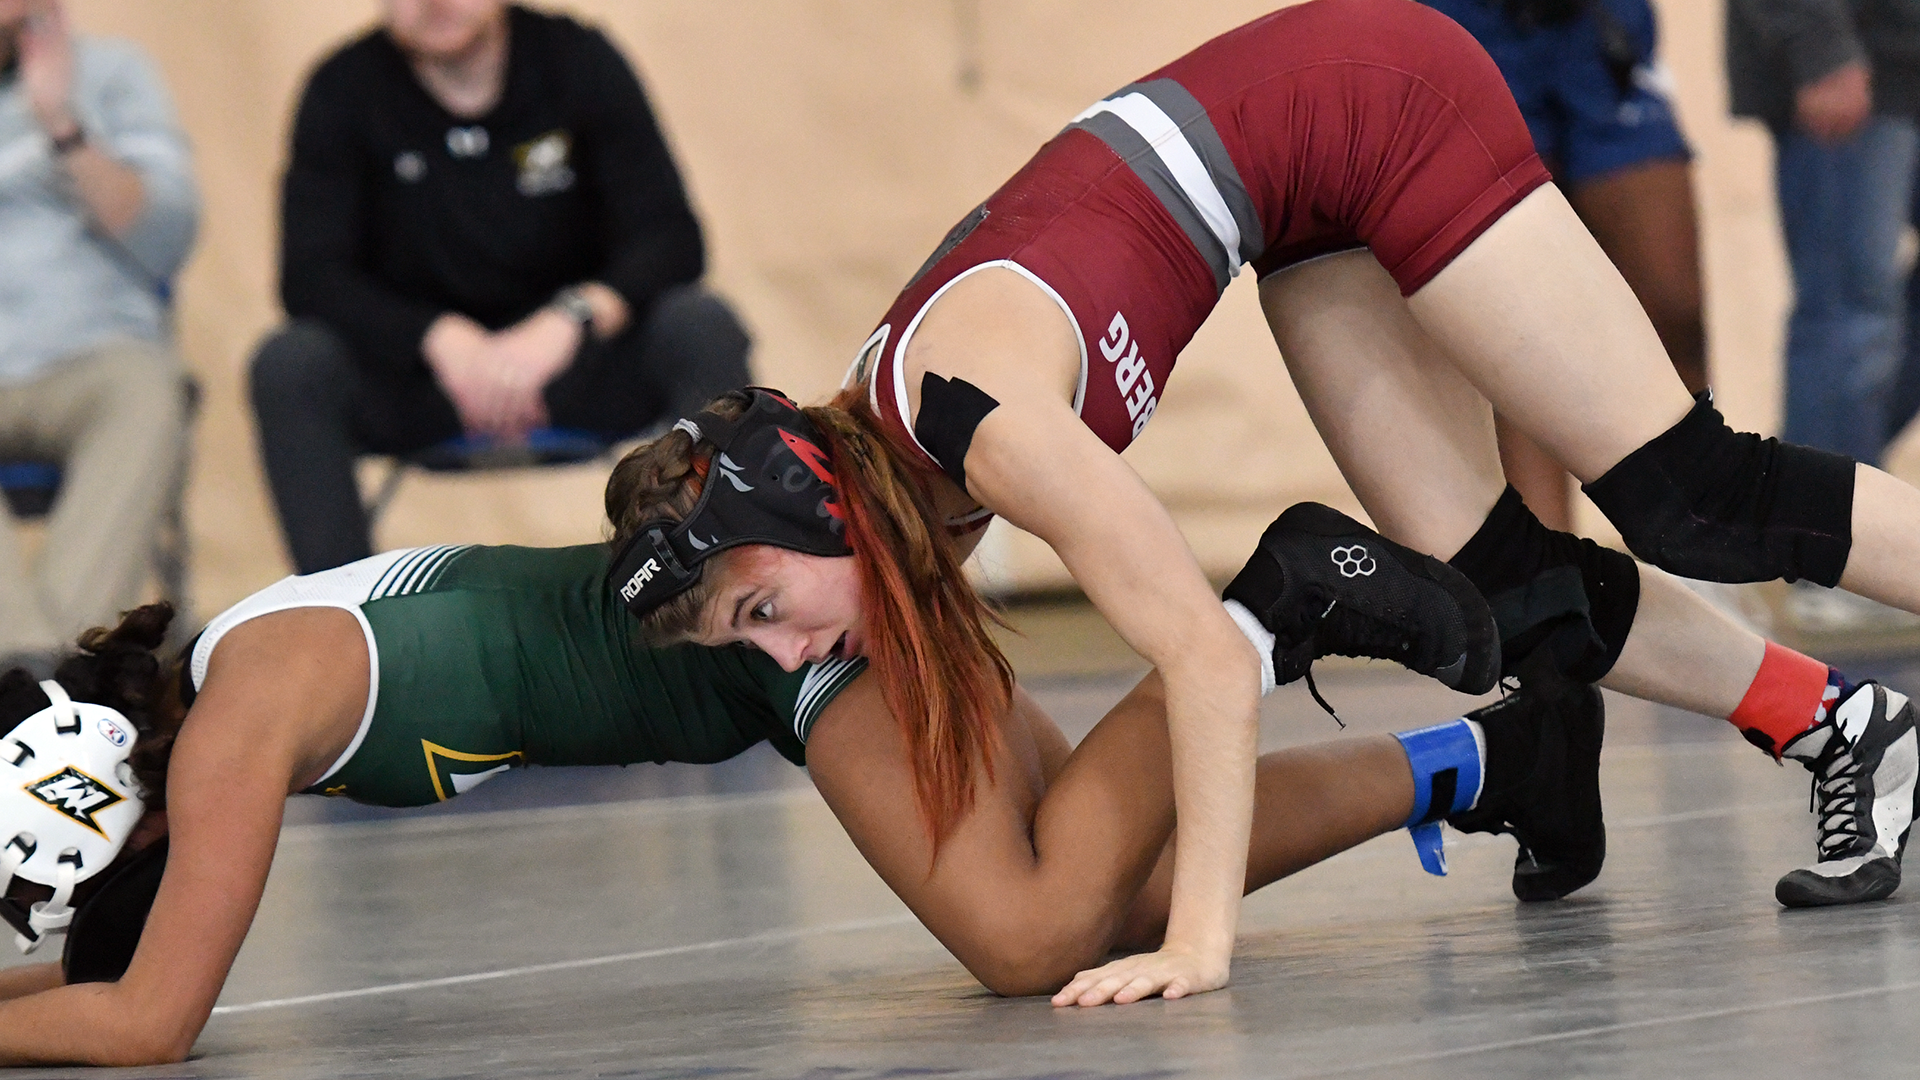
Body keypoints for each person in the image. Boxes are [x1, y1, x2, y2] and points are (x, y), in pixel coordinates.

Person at [608, 0, 1920, 1008]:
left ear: (809, 511)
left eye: (767, 610)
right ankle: (1843, 722)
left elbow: (1206, 657)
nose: (789, 654)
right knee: (1515, 590)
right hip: (1295, 200)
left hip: (1378, 98)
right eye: (755, 641)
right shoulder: (873, 474)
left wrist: (1198, 946)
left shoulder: (974, 424)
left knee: (1688, 493)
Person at [0, 530, 1599, 1065]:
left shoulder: (228, 732)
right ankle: (1487, 761)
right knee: (1111, 894)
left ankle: (1265, 607)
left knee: (1034, 937)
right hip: (768, 643)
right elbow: (101, 985)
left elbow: (144, 1027)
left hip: (779, 649)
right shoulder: (215, 686)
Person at [248, 0, 750, 575]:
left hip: (577, 366)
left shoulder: (577, 60)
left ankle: (717, 584)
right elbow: (311, 275)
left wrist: (571, 318)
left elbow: (670, 237)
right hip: (422, 384)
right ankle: (340, 616)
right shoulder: (342, 87)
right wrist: (438, 339)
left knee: (701, 324)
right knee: (290, 364)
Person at [1420, 0, 1706, 532]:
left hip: (1594, 24)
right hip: (1463, 24)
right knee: (1516, 329)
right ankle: (1552, 574)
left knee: (1673, 307)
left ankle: (1698, 535)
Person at [0, 0, 197, 673]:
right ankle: (42, 676)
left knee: (149, 389)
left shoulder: (112, 75)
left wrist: (61, 122)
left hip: (93, 361)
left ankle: (37, 673)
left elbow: (166, 242)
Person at [1727, 0, 1920, 632]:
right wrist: (1818, 47)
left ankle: (1809, 501)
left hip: (1900, 63)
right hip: (1854, 57)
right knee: (1849, 316)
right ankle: (1831, 556)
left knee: (1860, 322)